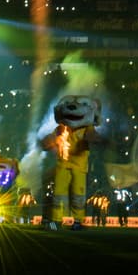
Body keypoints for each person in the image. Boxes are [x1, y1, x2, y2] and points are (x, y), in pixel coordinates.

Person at [39, 96, 103, 230]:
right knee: (58, 193)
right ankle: (55, 221)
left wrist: (94, 138)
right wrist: (47, 142)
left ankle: (78, 221)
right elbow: (50, 139)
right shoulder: (61, 128)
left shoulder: (87, 128)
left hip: (79, 166)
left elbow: (92, 136)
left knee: (78, 194)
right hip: (63, 164)